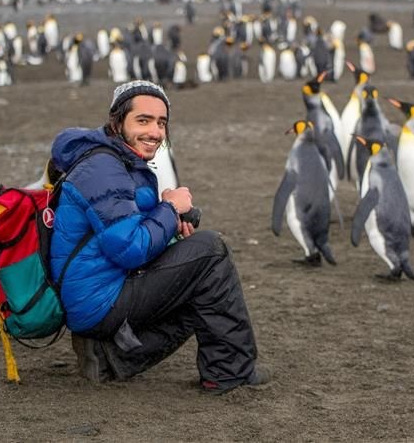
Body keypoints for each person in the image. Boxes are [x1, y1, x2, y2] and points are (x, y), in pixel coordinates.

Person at [48, 80, 269, 394]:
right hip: (97, 299)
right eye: (143, 120)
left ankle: (112, 356)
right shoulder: (102, 168)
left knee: (199, 268)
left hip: (97, 291)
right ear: (117, 121)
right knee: (210, 252)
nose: (154, 131)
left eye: (161, 122)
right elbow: (128, 248)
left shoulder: (119, 160)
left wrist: (171, 217)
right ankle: (228, 373)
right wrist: (168, 207)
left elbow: (123, 223)